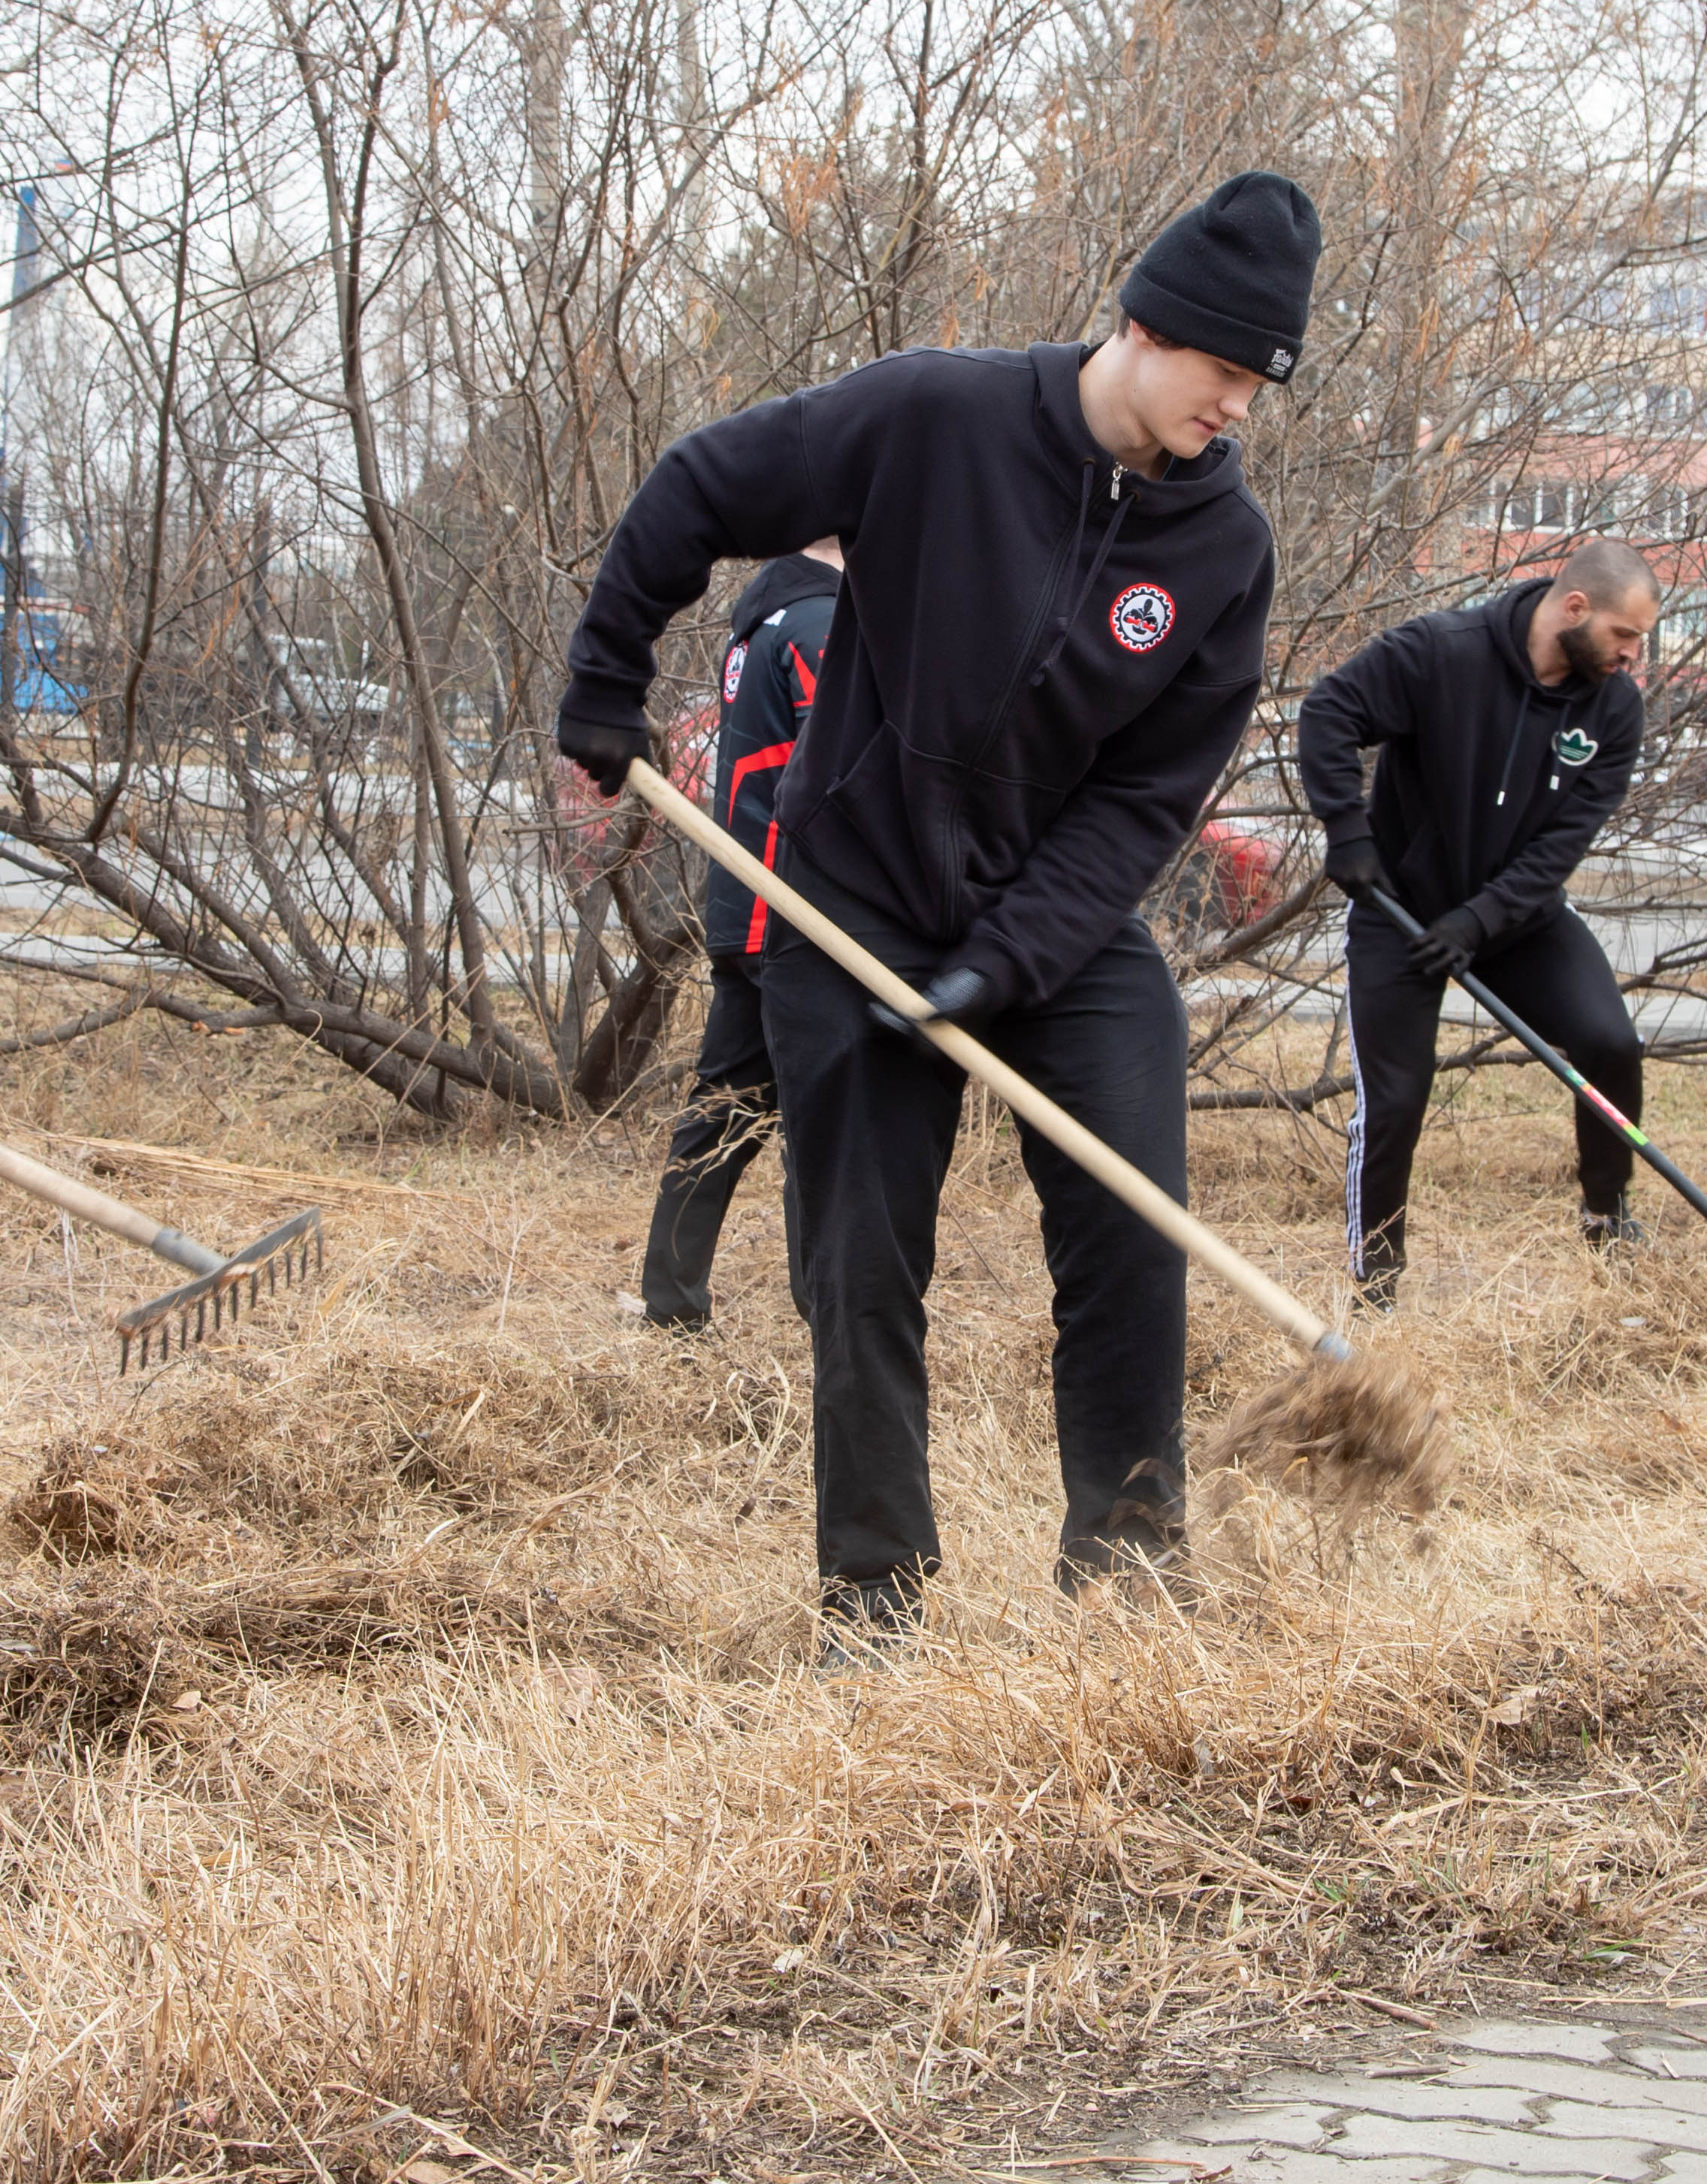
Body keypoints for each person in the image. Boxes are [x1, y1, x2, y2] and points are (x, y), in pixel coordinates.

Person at [556, 172, 1316, 1645]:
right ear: (1152, 328)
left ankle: (1130, 1569)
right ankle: (874, 1596)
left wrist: (1011, 958)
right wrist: (603, 678)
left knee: (1130, 1225)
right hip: (859, 902)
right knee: (860, 1256)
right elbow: (700, 487)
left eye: (1255, 387)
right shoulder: (934, 419)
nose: (1236, 409)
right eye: (1225, 374)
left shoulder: (1224, 551)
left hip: (1066, 929)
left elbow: (1145, 802)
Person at [1295, 538, 1660, 1304]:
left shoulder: (1614, 710)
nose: (1633, 656)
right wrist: (1349, 832)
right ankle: (1377, 1277)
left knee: (1608, 1041)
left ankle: (1606, 1211)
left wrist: (1481, 918)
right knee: (1395, 1097)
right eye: (1625, 636)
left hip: (1518, 917)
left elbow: (1561, 845)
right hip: (1399, 911)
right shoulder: (1442, 651)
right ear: (1575, 607)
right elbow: (1330, 710)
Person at [635, 533, 843, 1329]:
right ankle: (830, 1314)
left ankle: (670, 1302)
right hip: (793, 914)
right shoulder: (819, 626)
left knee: (722, 1112)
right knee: (819, 1122)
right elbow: (839, 779)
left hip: (751, 909)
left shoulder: (766, 618)